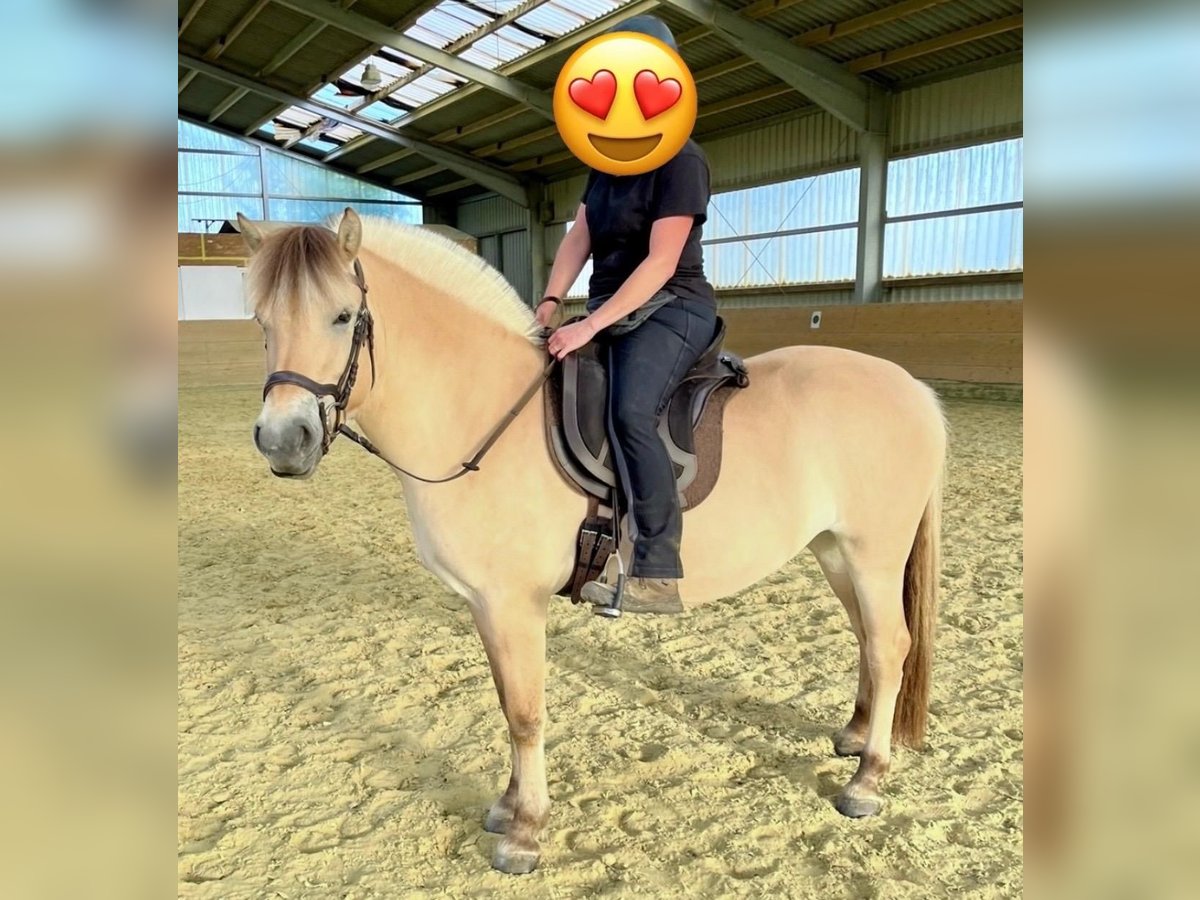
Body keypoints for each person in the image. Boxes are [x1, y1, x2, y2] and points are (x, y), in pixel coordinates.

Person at [541, 15, 718, 614]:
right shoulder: (605, 162)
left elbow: (662, 261)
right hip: (611, 308)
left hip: (672, 306)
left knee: (630, 411)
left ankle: (657, 570)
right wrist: (549, 303)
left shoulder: (683, 160)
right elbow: (578, 238)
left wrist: (589, 325)